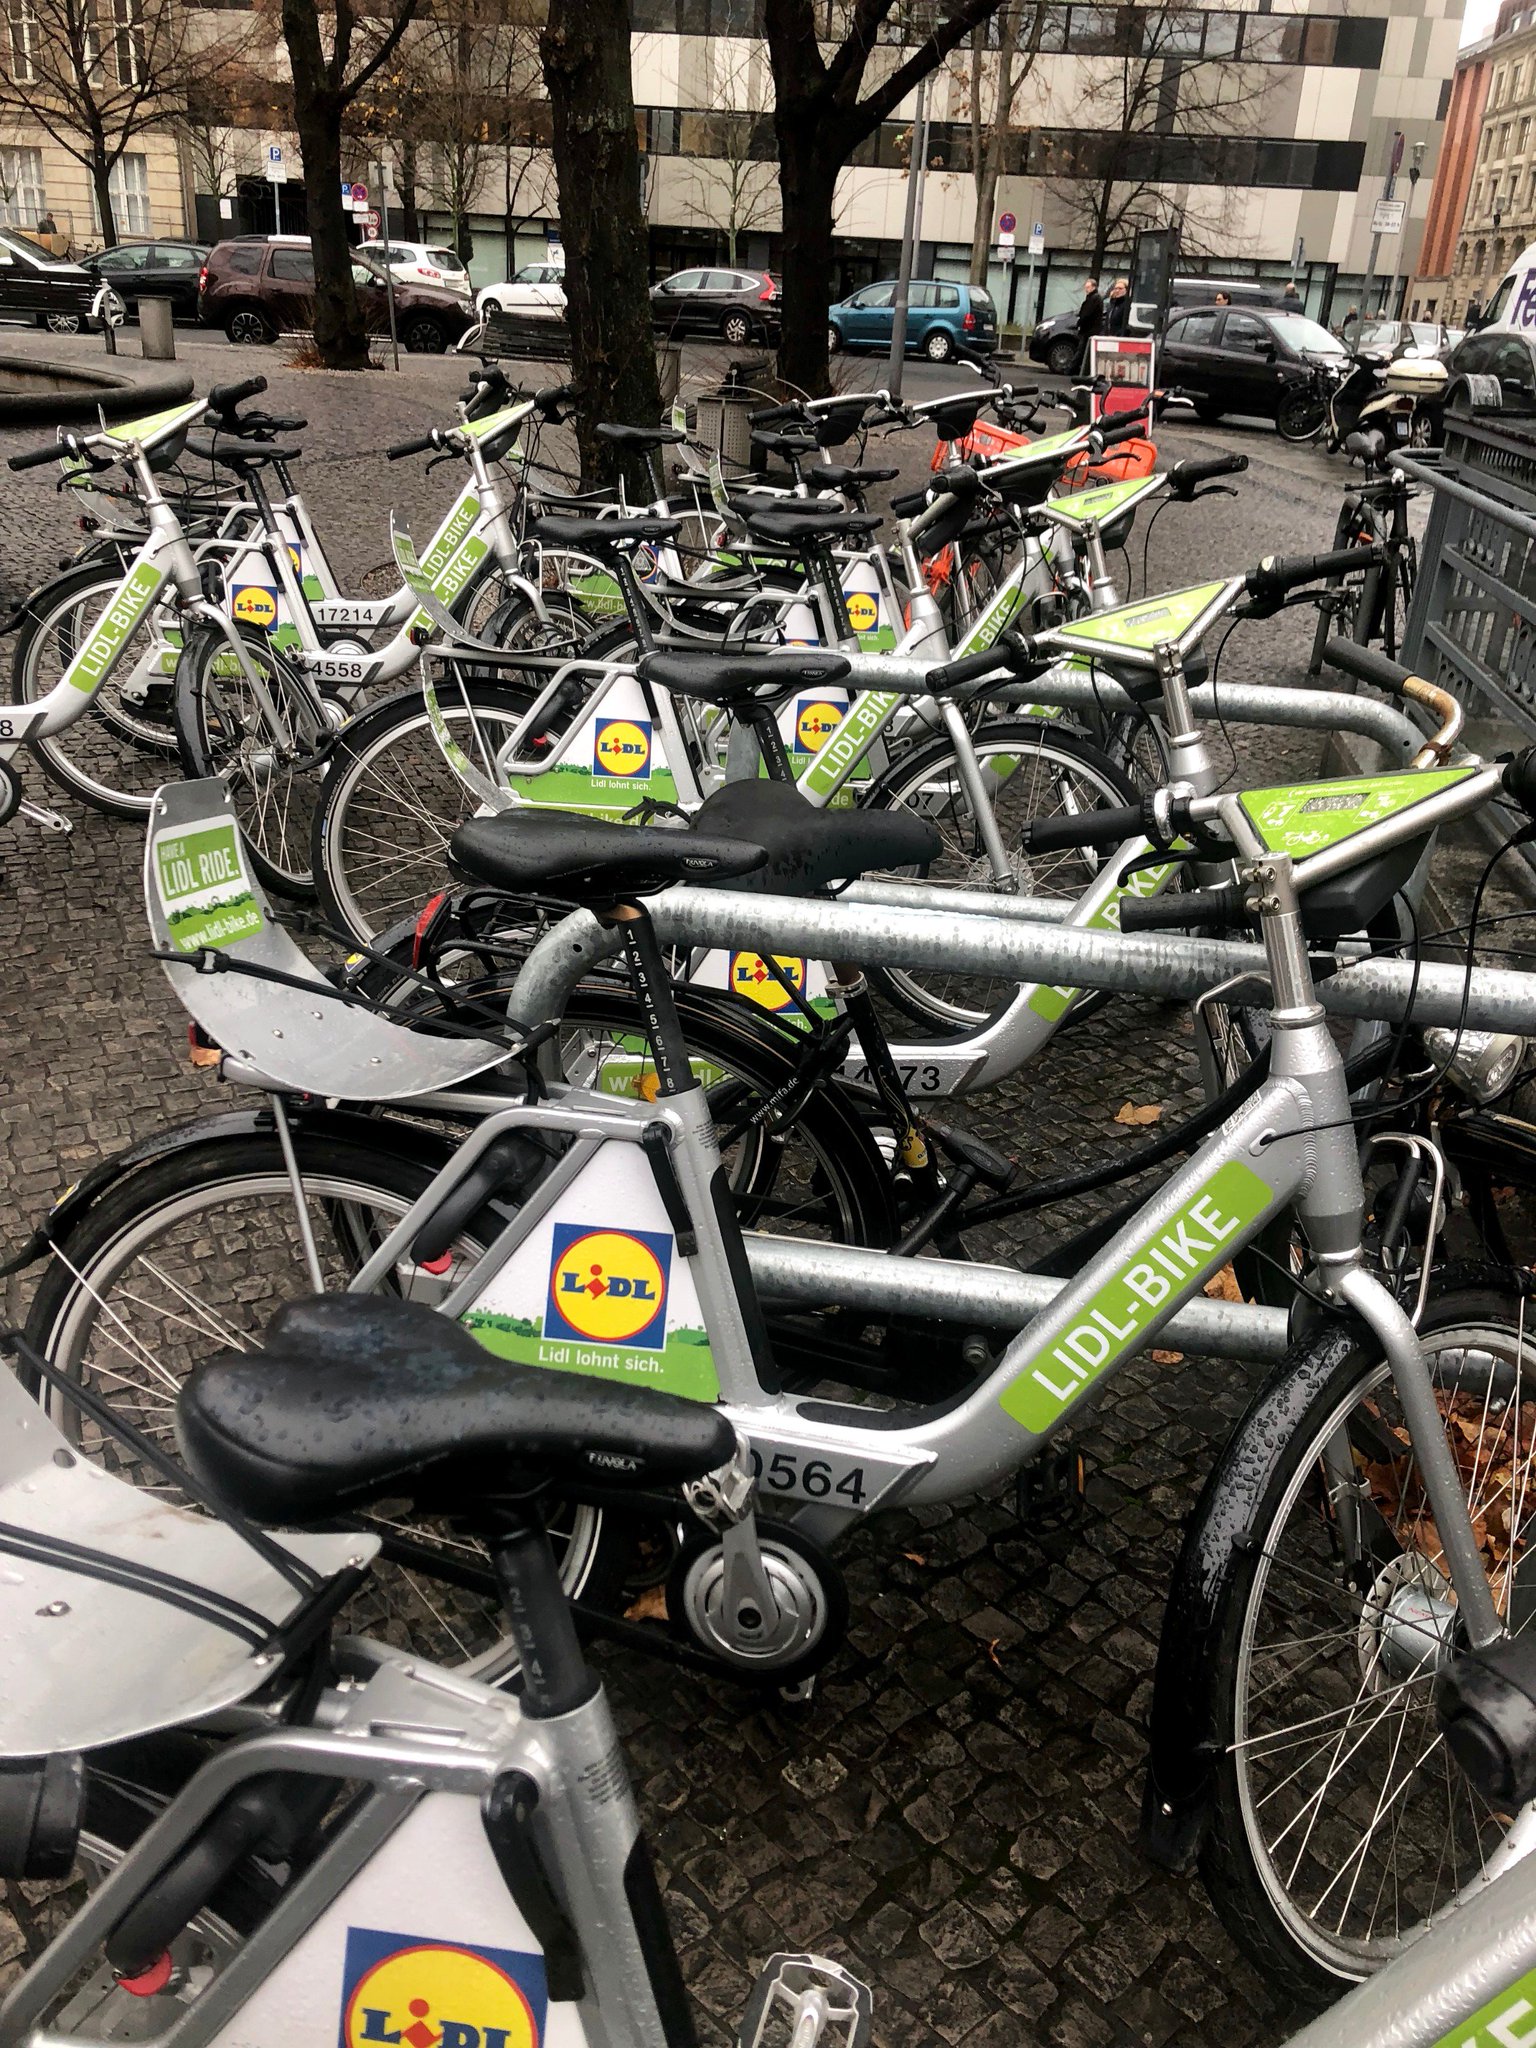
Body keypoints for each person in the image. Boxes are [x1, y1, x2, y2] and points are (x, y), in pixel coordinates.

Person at [1077, 275, 1103, 368]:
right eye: (1086, 287)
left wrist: (1080, 322)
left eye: (1088, 287)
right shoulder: (1092, 298)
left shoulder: (1094, 299)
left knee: (1082, 350)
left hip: (1090, 330)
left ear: (1093, 287)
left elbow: (1087, 314)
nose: (1086, 289)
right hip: (1088, 329)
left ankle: (1072, 369)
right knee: (1083, 350)